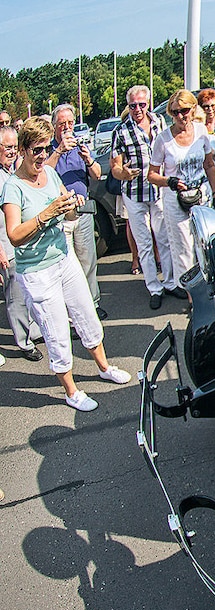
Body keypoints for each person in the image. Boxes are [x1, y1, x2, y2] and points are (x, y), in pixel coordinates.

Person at [1, 117, 131, 411]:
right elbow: (14, 235)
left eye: (46, 149)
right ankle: (71, 391)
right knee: (57, 330)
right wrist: (46, 214)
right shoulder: (13, 188)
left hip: (63, 258)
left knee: (86, 313)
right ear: (22, 149)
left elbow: (70, 216)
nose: (42, 156)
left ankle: (103, 367)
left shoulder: (49, 172)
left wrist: (71, 207)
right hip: (36, 271)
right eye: (36, 149)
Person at [110, 85, 181, 310]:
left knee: (164, 237)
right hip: (135, 192)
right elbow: (115, 168)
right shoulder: (120, 131)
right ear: (128, 106)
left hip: (159, 190)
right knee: (144, 245)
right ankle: (154, 287)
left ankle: (170, 282)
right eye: (133, 106)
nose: (138, 109)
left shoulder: (160, 122)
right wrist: (124, 173)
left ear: (148, 103)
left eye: (141, 105)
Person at [147, 89, 215, 297]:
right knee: (184, 249)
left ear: (193, 109)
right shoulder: (163, 140)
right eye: (176, 112)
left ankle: (209, 290)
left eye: (185, 111)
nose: (181, 116)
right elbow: (151, 175)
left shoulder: (201, 132)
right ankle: (192, 297)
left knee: (204, 244)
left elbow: (209, 165)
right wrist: (168, 181)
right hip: (175, 199)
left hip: (201, 194)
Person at [46, 104, 106, 320]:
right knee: (66, 265)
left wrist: (88, 159)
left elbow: (97, 174)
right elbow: (43, 174)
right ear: (54, 126)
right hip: (61, 215)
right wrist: (59, 149)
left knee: (88, 259)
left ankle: (93, 303)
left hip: (83, 211)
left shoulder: (82, 145)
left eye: (70, 123)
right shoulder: (48, 148)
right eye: (62, 123)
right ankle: (71, 314)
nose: (67, 127)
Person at [0, 124, 43, 360]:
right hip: (5, 245)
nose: (12, 152)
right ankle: (24, 342)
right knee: (15, 295)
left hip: (23, 244)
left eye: (14, 147)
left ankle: (34, 331)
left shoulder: (13, 171)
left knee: (28, 290)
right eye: (8, 147)